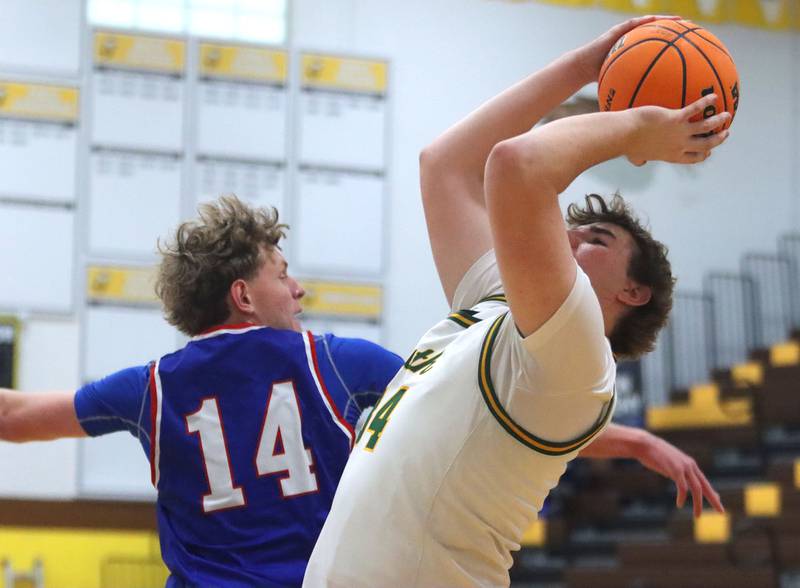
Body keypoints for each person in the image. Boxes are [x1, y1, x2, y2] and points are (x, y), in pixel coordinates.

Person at [304, 16, 729, 587]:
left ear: (632, 292)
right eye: (576, 229)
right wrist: (588, 65)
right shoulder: (498, 307)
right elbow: (446, 165)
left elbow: (515, 166)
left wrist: (635, 130)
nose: (571, 235)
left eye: (596, 240)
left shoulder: (578, 352)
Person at [0, 195, 402, 587]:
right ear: (243, 296)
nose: (298, 289)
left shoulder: (151, 388)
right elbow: (439, 393)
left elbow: (11, 418)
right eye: (281, 275)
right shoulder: (332, 362)